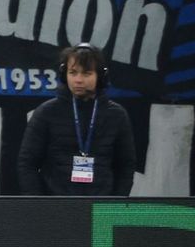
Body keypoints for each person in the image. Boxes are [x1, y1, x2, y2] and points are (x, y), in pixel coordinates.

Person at [17, 43, 136, 196]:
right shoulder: (46, 112)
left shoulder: (117, 115)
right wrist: (40, 206)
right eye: (73, 73)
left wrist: (115, 204)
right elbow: (27, 163)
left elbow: (126, 165)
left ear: (100, 76)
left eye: (86, 73)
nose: (78, 80)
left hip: (101, 206)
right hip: (55, 207)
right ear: (64, 75)